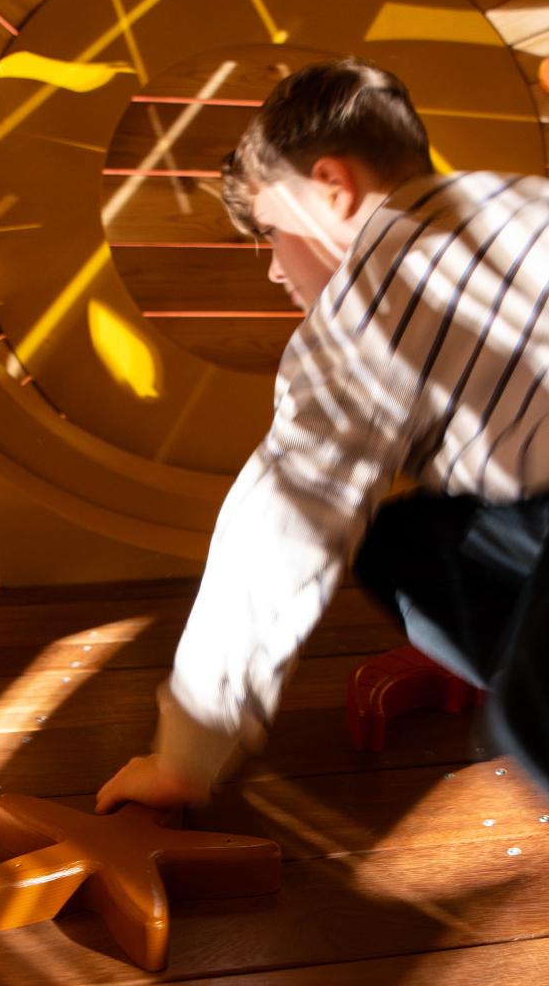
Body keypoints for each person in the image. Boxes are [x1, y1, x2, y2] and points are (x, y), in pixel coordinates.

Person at [96, 56, 549, 815]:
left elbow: (282, 523)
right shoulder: (520, 200)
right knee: (406, 535)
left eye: (271, 231)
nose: (274, 270)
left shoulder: (371, 302)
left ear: (334, 188)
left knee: (532, 717)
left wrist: (187, 751)